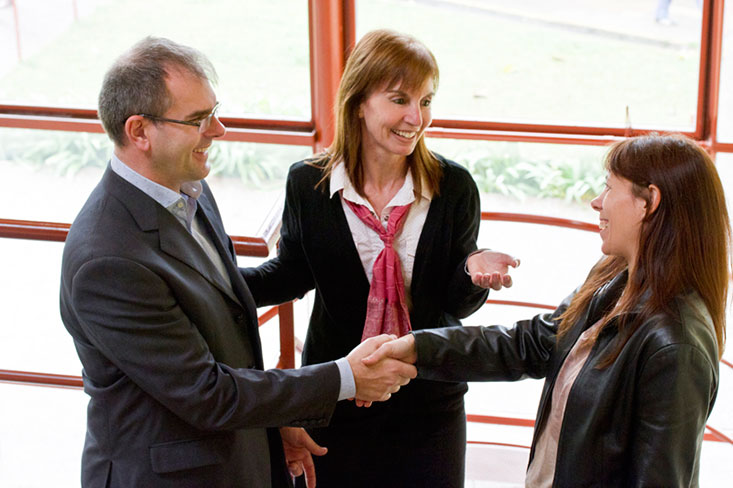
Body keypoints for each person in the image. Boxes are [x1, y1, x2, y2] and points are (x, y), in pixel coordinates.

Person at [59, 36, 418, 488]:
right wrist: (345, 377)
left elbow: (222, 327)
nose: (219, 130)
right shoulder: (108, 261)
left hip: (230, 454)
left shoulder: (188, 190)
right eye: (198, 119)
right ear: (139, 132)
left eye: (214, 111)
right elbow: (206, 393)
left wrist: (275, 421)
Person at [365, 133, 730, 487]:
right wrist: (416, 348)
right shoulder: (614, 280)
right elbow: (531, 344)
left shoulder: (675, 345)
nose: (596, 202)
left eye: (609, 187)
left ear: (648, 201)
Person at [242, 29, 518, 487]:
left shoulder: (454, 187)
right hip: (338, 395)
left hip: (430, 396)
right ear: (359, 102)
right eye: (399, 99)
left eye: (426, 101)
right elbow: (291, 273)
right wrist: (208, 283)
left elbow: (454, 303)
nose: (417, 117)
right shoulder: (308, 184)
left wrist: (471, 272)